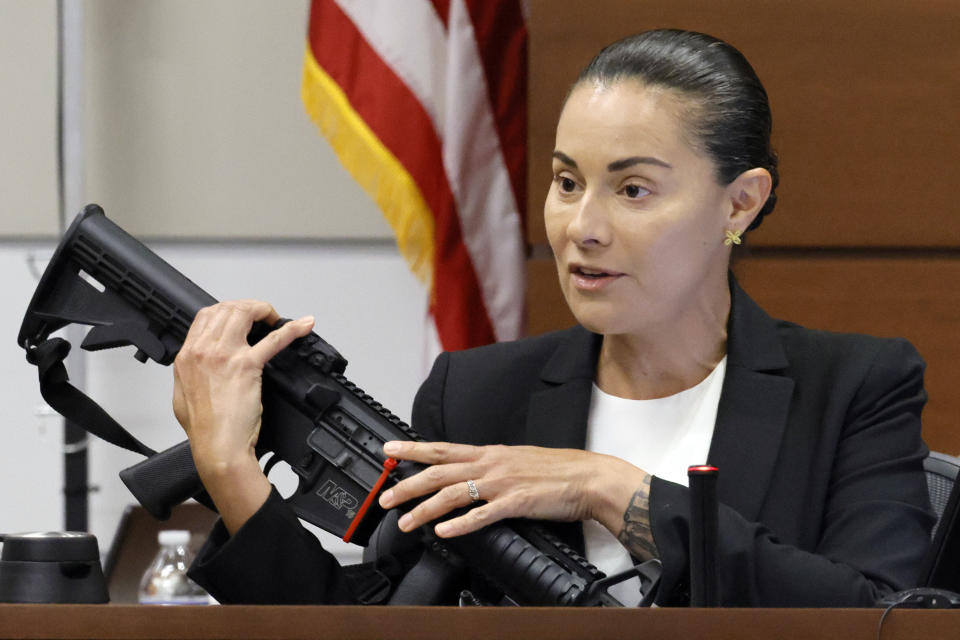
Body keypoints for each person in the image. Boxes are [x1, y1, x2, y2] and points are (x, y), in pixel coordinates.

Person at [175, 29, 933, 607]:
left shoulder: (855, 386)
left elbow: (886, 614)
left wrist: (611, 489)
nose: (582, 226)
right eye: (567, 182)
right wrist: (232, 474)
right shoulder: (474, 393)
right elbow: (379, 624)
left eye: (632, 190)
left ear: (741, 202)